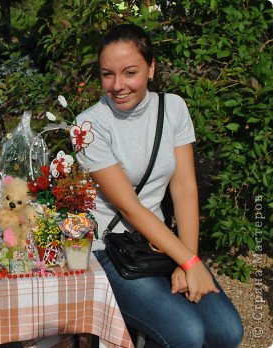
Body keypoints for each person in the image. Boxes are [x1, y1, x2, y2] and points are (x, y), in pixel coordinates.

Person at [75, 23, 243, 347]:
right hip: (108, 249)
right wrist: (190, 263)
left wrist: (187, 259)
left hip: (158, 244)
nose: (118, 85)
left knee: (227, 331)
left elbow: (184, 187)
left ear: (151, 68)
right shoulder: (88, 125)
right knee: (187, 333)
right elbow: (129, 206)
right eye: (107, 74)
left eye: (129, 72)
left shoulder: (174, 108)